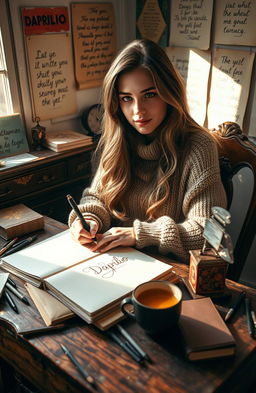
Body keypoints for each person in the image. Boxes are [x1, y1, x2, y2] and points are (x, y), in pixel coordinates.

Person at [69, 39, 227, 263]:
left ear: (169, 92)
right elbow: (97, 197)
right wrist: (88, 219)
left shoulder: (199, 146)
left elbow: (210, 232)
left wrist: (139, 234)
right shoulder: (116, 139)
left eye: (150, 94)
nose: (137, 111)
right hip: (118, 263)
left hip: (172, 275)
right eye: (126, 98)